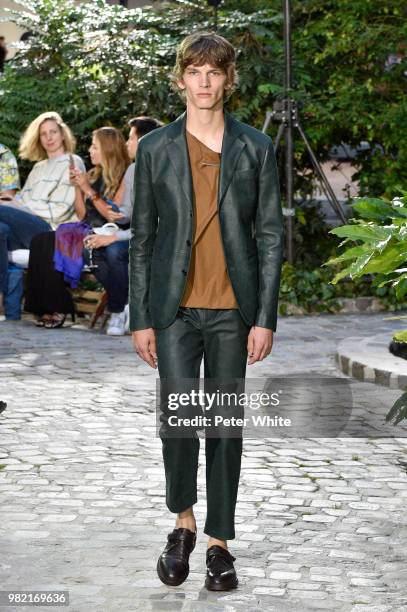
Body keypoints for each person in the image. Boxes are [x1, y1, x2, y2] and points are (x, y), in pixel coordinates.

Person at [129, 32, 284, 591]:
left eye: (213, 72)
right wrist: (139, 317)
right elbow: (142, 238)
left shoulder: (255, 147)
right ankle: (183, 523)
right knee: (177, 425)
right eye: (193, 71)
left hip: (232, 310)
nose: (203, 81)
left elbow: (270, 237)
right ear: (180, 79)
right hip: (172, 311)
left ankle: (219, 542)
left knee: (222, 428)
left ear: (228, 79)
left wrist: (264, 315)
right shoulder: (154, 149)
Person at [25, 127, 130, 329]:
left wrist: (86, 189)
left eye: (94, 146)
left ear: (107, 149)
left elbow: (112, 214)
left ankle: (59, 308)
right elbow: (83, 214)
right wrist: (76, 187)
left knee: (57, 242)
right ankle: (44, 307)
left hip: (109, 231)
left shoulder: (124, 175)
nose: (90, 150)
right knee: (42, 239)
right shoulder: (93, 174)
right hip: (88, 228)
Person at [0, 111, 85, 320]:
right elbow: (24, 200)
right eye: (43, 134)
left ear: (63, 134)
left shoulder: (73, 162)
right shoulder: (38, 167)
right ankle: (7, 306)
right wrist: (15, 204)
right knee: (1, 230)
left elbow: (60, 207)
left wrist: (21, 207)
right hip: (28, 226)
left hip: (50, 229)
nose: (48, 137)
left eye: (53, 132)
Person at [82, 117, 163, 334]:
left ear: (145, 141)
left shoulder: (166, 172)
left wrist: (114, 237)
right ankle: (125, 305)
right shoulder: (132, 171)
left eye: (131, 138)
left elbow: (156, 225)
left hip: (159, 240)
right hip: (134, 235)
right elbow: (128, 214)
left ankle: (118, 310)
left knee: (115, 251)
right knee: (89, 247)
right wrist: (115, 214)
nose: (127, 144)